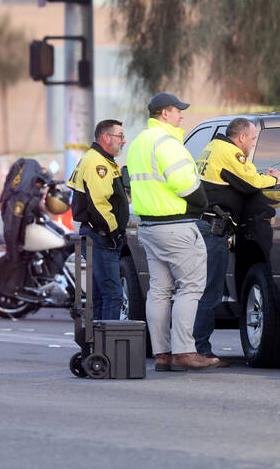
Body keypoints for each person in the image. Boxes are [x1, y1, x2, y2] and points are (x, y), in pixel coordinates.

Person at [125, 92, 219, 371]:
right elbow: (187, 186)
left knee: (159, 291)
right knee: (190, 287)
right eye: (178, 110)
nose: (181, 115)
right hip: (176, 225)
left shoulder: (139, 142)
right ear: (164, 113)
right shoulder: (167, 143)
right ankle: (185, 352)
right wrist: (202, 203)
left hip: (150, 226)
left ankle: (162, 355)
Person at [193, 117, 280, 363]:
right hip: (213, 230)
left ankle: (190, 347)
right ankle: (199, 350)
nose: (252, 145)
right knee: (210, 291)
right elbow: (251, 182)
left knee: (196, 290)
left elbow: (243, 177)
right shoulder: (229, 152)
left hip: (203, 226)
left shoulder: (212, 147)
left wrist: (259, 174)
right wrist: (277, 180)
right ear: (242, 137)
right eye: (253, 139)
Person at [68, 119, 129, 321]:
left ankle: (99, 346)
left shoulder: (101, 159)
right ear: (106, 137)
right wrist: (114, 233)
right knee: (112, 295)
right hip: (102, 238)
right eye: (119, 136)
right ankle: (109, 349)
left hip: (98, 237)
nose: (123, 140)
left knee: (101, 296)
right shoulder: (98, 163)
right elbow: (99, 204)